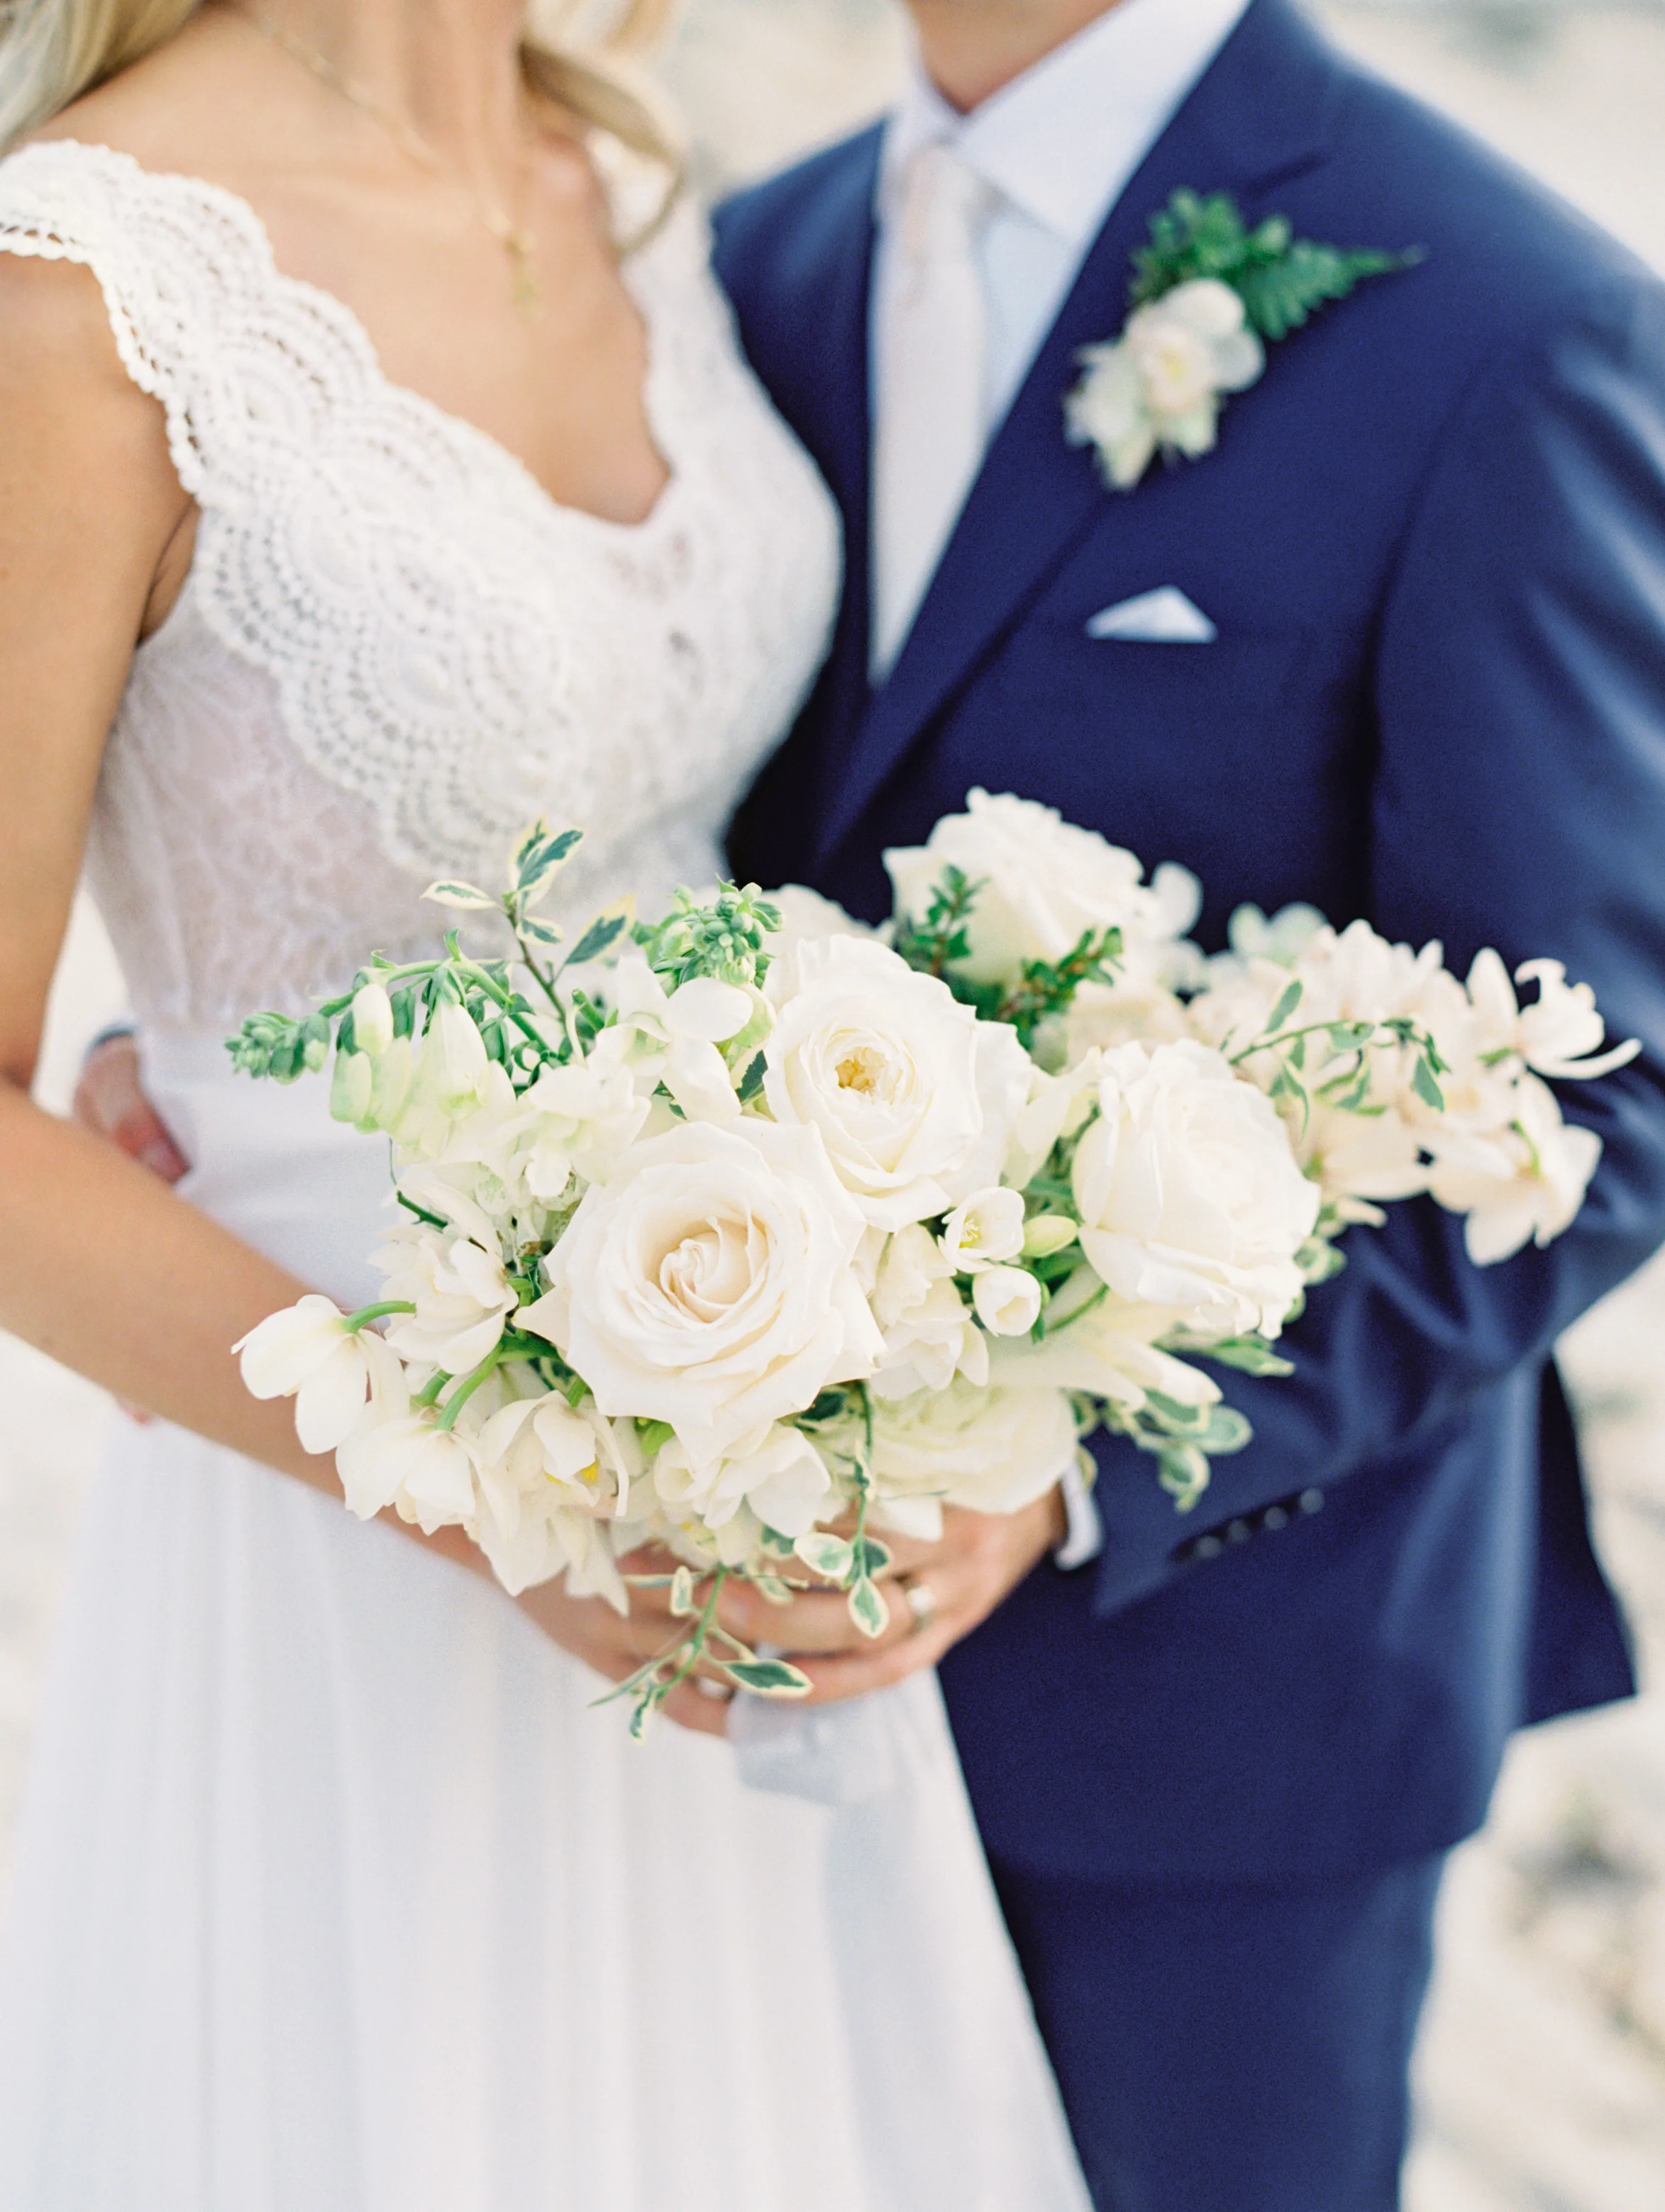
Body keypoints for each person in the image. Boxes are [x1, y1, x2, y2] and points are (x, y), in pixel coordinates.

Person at [0, 1, 1093, 2203]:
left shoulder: (623, 174)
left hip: (747, 1534)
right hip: (353, 1536)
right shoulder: (73, 297)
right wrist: (501, 1502)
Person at [713, 0, 1665, 2205]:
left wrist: (1058, 1472)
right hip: (722, 1672)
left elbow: (1596, 1097)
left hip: (1228, 1714)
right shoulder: (754, 275)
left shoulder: (1509, 324)